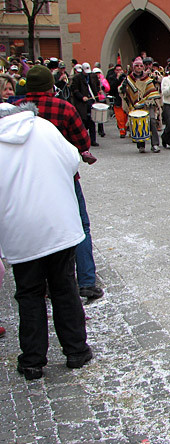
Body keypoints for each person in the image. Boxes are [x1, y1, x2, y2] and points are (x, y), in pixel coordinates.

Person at [0, 102, 93, 380]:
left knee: (29, 293)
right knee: (64, 286)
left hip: (20, 229)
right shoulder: (43, 127)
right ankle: (76, 350)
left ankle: (32, 360)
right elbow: (71, 159)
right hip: (57, 224)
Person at [16, 65, 104, 301]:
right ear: (49, 86)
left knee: (35, 228)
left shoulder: (14, 113)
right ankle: (86, 281)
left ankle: (41, 282)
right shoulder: (63, 108)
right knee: (80, 226)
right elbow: (83, 141)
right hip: (63, 179)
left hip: (24, 182)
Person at [120, 57, 163, 153]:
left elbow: (152, 90)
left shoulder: (147, 78)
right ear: (133, 67)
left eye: (140, 66)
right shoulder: (129, 79)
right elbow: (124, 90)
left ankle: (155, 144)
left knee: (152, 121)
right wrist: (123, 90)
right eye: (137, 66)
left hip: (148, 103)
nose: (139, 67)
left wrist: (151, 97)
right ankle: (141, 145)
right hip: (136, 105)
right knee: (139, 123)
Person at [70, 62, 100, 146]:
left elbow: (95, 87)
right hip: (81, 102)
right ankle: (83, 139)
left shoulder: (91, 77)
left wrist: (97, 98)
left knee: (92, 120)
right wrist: (81, 97)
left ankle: (93, 140)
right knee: (83, 120)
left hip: (91, 100)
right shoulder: (77, 78)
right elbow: (74, 90)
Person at [107, 64, 127, 137]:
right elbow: (111, 88)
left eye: (120, 70)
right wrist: (117, 79)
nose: (119, 71)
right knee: (120, 117)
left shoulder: (125, 77)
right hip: (117, 99)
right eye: (117, 70)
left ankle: (126, 128)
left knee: (125, 116)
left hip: (125, 99)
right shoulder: (112, 78)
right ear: (115, 71)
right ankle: (122, 132)